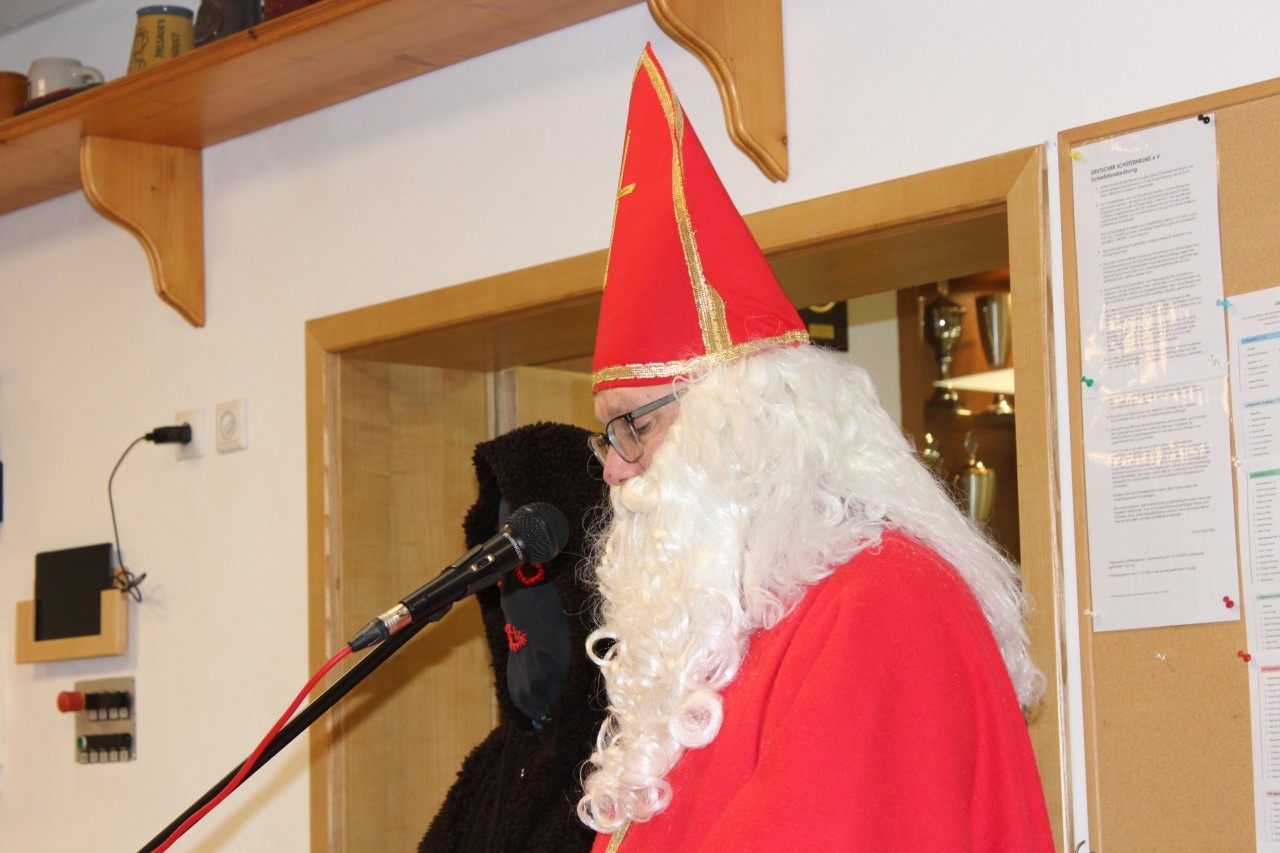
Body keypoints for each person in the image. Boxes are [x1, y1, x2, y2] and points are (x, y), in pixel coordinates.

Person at [575, 44, 1055, 852]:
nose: (615, 467)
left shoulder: (881, 604)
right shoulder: (735, 633)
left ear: (743, 422)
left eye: (635, 426)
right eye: (610, 435)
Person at [420, 422, 608, 852]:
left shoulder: (631, 770)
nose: (516, 602)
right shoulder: (490, 768)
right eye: (506, 569)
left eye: (534, 569)